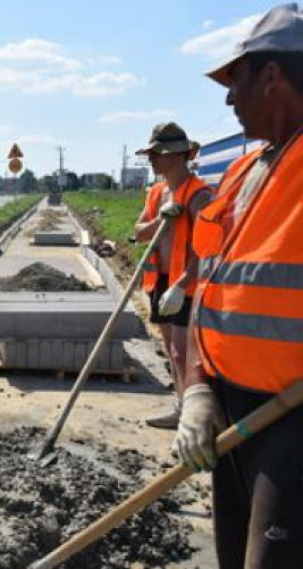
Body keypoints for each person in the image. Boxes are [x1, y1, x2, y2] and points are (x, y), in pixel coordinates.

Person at [175, 5, 303, 568]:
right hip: (233, 408)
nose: (229, 100)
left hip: (291, 418)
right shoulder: (244, 173)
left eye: (237, 81)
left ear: (272, 75)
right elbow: (211, 287)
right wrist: (199, 389)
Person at [133, 122, 213, 429]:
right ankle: (179, 406)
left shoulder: (199, 195)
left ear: (177, 156)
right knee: (170, 349)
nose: (151, 160)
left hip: (186, 285)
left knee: (183, 353)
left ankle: (190, 417)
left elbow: (207, 248)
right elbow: (138, 233)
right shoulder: (156, 193)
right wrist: (160, 221)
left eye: (157, 154)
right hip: (160, 282)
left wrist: (181, 285)